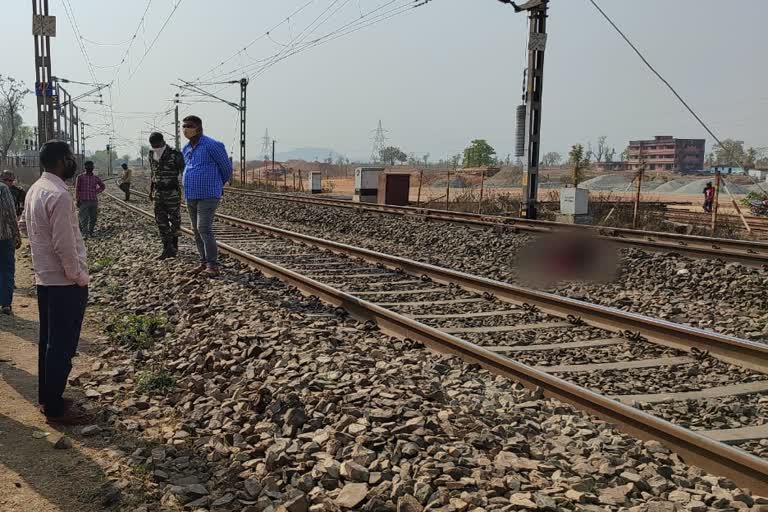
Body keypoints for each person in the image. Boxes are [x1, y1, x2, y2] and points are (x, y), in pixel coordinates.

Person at [20, 140, 90, 424]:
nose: (73, 162)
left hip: (44, 278)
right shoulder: (59, 195)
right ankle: (55, 408)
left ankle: (47, 398)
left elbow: (24, 224)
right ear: (62, 160)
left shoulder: (36, 189)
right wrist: (78, 277)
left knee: (49, 341)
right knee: (62, 344)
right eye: (70, 158)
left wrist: (40, 250)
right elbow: (64, 245)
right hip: (64, 282)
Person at [181, 115, 232, 276]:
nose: (185, 129)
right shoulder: (186, 148)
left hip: (208, 193)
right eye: (183, 126)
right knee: (195, 230)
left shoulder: (212, 145)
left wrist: (217, 185)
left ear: (198, 128)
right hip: (191, 194)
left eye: (189, 126)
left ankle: (213, 265)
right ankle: (203, 262)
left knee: (204, 227)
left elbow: (226, 168)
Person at [148, 132, 185, 259]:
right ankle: (166, 248)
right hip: (158, 193)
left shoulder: (175, 154)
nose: (155, 148)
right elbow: (153, 173)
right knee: (160, 221)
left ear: (163, 141)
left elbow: (184, 172)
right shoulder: (151, 154)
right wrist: (151, 190)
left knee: (175, 221)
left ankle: (174, 247)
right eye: (153, 146)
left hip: (172, 193)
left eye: (157, 145)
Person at [0, 180, 21, 314]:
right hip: (4, 237)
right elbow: (10, 213)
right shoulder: (2, 189)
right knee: (6, 270)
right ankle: (6, 304)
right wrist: (16, 234)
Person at [74, 161, 105, 238]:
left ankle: (90, 231)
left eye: (91, 166)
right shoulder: (80, 177)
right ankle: (85, 232)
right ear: (85, 168)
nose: (89, 168)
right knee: (83, 218)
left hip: (93, 200)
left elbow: (103, 186)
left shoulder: (96, 178)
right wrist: (77, 200)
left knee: (93, 218)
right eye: (88, 167)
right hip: (83, 201)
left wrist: (96, 191)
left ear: (93, 168)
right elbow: (77, 189)